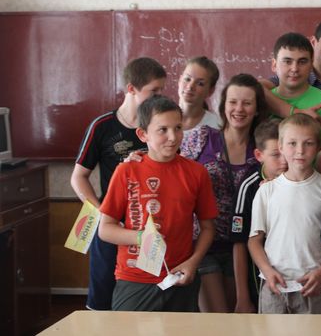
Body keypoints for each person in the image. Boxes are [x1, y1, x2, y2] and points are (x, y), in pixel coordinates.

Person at [98, 96, 217, 312]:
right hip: (134, 278)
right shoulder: (126, 171)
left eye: (178, 128)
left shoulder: (196, 173)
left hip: (179, 276)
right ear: (143, 134)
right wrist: (142, 237)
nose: (173, 137)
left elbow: (208, 228)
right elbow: (105, 229)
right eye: (163, 130)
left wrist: (193, 262)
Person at [70, 57, 166, 311]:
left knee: (146, 299)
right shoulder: (102, 126)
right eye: (153, 91)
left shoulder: (159, 126)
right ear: (131, 88)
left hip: (150, 224)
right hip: (112, 226)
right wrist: (102, 212)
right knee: (102, 294)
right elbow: (78, 177)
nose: (159, 97)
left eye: (161, 91)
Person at [180, 73, 267, 313]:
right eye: (233, 102)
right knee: (218, 319)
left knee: (239, 316)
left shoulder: (262, 149)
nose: (239, 109)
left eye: (247, 103)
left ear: (257, 109)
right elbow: (168, 166)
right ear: (223, 105)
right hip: (202, 244)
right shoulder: (202, 138)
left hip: (244, 247)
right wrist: (137, 158)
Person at [248, 114, 321, 314]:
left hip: (315, 286)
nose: (300, 150)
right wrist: (267, 271)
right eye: (292, 143)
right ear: (280, 146)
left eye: (308, 143)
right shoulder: (266, 191)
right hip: (274, 286)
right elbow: (254, 241)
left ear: (318, 147)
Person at [230, 119, 287, 313]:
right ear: (259, 155)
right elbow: (239, 242)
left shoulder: (303, 178)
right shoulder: (249, 186)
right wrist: (242, 297)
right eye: (275, 155)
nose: (284, 161)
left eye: (286, 151)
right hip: (260, 277)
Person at [270, 32, 321, 148]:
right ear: (274, 65)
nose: (294, 69)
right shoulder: (260, 103)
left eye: (302, 62)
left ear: (311, 65)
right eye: (287, 61)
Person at [179, 56, 222, 136]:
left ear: (210, 91)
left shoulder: (217, 126)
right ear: (180, 80)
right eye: (187, 79)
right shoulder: (161, 118)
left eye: (200, 83)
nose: (190, 86)